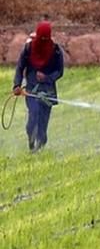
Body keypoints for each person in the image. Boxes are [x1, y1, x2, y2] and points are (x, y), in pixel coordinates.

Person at [13, 21, 64, 152]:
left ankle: (39, 145)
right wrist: (17, 85)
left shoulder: (56, 50)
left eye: (46, 39)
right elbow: (20, 67)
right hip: (31, 90)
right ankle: (31, 141)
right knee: (33, 116)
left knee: (42, 125)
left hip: (48, 92)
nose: (43, 42)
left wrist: (47, 77)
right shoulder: (28, 48)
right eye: (41, 38)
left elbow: (60, 71)